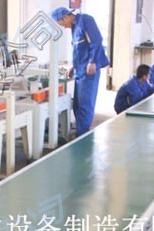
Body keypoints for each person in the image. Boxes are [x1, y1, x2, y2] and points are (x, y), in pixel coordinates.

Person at [51, 7, 110, 136]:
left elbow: (96, 41)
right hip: (80, 70)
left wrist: (92, 61)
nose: (64, 27)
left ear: (65, 17)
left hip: (88, 71)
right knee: (77, 104)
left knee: (85, 104)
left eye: (62, 23)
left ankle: (83, 135)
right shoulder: (74, 28)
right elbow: (79, 50)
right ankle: (80, 130)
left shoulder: (85, 20)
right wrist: (74, 66)